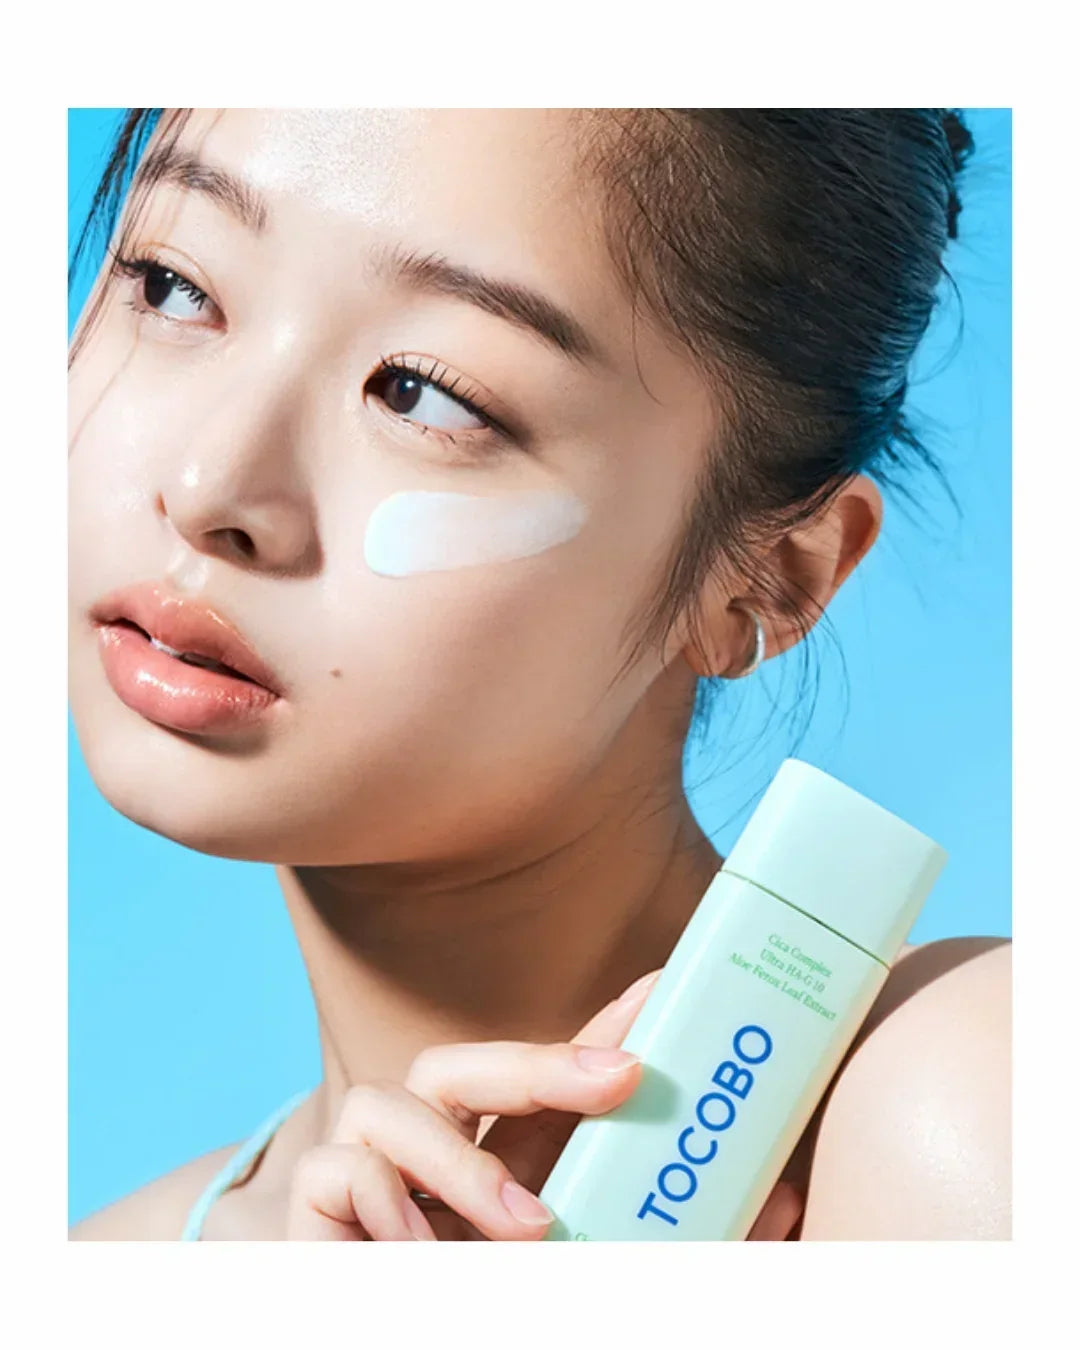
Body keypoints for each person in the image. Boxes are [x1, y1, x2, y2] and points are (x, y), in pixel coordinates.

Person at [67, 108, 1010, 1241]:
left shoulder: (965, 1110)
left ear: (765, 578)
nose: (211, 485)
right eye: (174, 286)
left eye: (423, 392)